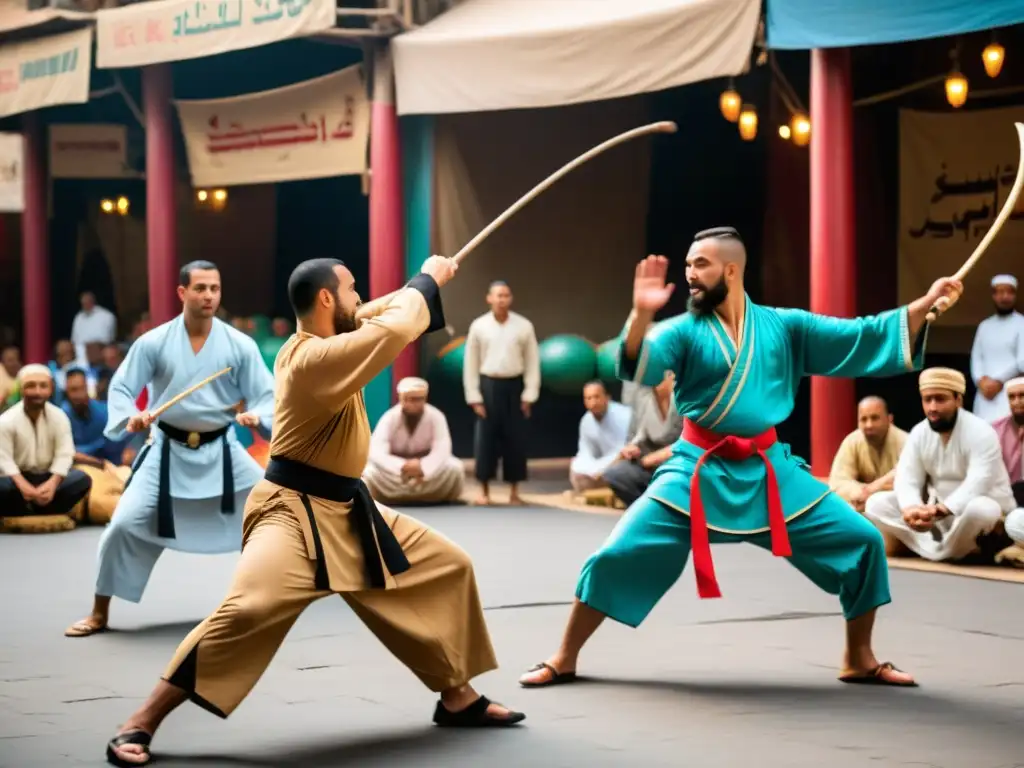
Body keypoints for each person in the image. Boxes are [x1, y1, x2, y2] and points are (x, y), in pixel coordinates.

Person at [103, 256, 523, 767]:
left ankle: (457, 696)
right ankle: (140, 721)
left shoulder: (331, 336)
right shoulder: (311, 359)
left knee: (447, 565)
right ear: (327, 299)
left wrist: (420, 282)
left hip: (348, 507)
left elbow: (382, 308)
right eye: (351, 290)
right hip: (291, 513)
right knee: (248, 609)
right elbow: (394, 326)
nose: (360, 298)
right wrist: (428, 280)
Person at [518, 227, 961, 691]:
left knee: (862, 541)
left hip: (769, 469)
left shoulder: (784, 327)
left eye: (700, 264)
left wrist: (921, 306)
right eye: (687, 264)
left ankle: (859, 656)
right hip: (695, 468)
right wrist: (640, 314)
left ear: (731, 270)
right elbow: (641, 364)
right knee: (617, 553)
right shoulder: (683, 330)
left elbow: (860, 335)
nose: (689, 273)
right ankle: (564, 656)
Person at [64, 260, 275, 638]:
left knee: (273, 512)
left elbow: (266, 395)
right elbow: (123, 389)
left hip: (222, 453)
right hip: (166, 452)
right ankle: (99, 611)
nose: (208, 295)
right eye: (200, 288)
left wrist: (256, 416)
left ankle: (274, 599)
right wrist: (131, 417)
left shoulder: (239, 345)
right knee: (123, 525)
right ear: (182, 292)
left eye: (214, 288)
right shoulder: (154, 342)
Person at [864, 368, 1015, 562]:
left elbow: (978, 483)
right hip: (939, 521)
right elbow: (906, 478)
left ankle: (937, 551)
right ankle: (943, 551)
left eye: (940, 399)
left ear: (958, 400)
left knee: (982, 508)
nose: (932, 407)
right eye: (927, 400)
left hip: (980, 519)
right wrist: (912, 509)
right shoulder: (919, 433)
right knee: (876, 503)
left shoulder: (982, 432)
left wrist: (939, 511)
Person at [463, 280, 540, 505]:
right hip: (488, 386)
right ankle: (484, 491)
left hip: (515, 387)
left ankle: (514, 492)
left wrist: (529, 394)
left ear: (511, 298)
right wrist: (474, 396)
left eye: (506, 295)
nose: (502, 299)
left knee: (515, 439)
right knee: (485, 439)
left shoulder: (524, 326)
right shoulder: (479, 326)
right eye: (498, 295)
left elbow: (532, 362)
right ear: (489, 298)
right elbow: (471, 363)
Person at [0, 365, 92, 517]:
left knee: (81, 479)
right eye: (31, 386)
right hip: (15, 481)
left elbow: (65, 454)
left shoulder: (59, 416)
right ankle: (28, 508)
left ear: (51, 389)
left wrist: (52, 484)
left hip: (48, 478)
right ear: (21, 389)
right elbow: (4, 460)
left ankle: (36, 508)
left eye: (43, 386)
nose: (37, 392)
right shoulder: (6, 420)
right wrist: (25, 488)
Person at [363, 376, 465, 504]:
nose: (412, 404)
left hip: (426, 472)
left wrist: (422, 467)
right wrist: (402, 466)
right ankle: (424, 494)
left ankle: (411, 494)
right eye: (408, 399)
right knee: (370, 473)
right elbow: (376, 452)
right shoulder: (389, 418)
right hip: (397, 472)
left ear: (425, 399)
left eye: (417, 400)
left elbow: (442, 449)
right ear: (400, 398)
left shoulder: (436, 417)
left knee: (454, 469)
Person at [603, 369, 683, 507]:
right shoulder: (645, 401)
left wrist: (660, 456)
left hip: (680, 462)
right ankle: (644, 509)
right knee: (615, 474)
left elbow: (693, 440)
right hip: (648, 463)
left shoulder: (685, 401)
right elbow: (637, 436)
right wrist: (632, 448)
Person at [828, 396, 907, 512]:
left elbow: (906, 478)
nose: (869, 425)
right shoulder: (852, 441)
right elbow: (837, 482)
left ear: (889, 419)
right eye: (863, 419)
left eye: (875, 418)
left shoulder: (906, 442)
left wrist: (872, 491)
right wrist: (861, 493)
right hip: (860, 504)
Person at [970, 274, 1024, 421]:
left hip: (1011, 393)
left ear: (1014, 295)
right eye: (1000, 292)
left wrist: (999, 382)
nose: (1005, 297)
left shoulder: (1021, 323)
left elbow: (1021, 362)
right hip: (984, 396)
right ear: (993, 295)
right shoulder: (984, 326)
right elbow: (976, 359)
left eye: (1009, 292)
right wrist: (981, 381)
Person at [569, 380, 632, 492]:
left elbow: (625, 452)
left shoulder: (623, 415)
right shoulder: (586, 421)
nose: (593, 402)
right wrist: (592, 470)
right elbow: (586, 453)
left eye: (597, 397)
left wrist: (603, 470)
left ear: (607, 398)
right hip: (601, 466)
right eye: (589, 398)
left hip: (622, 462)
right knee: (575, 469)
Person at [994, 377, 1024, 562]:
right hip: (1007, 500)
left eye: (1022, 396)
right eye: (1011, 397)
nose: (1017, 402)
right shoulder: (995, 430)